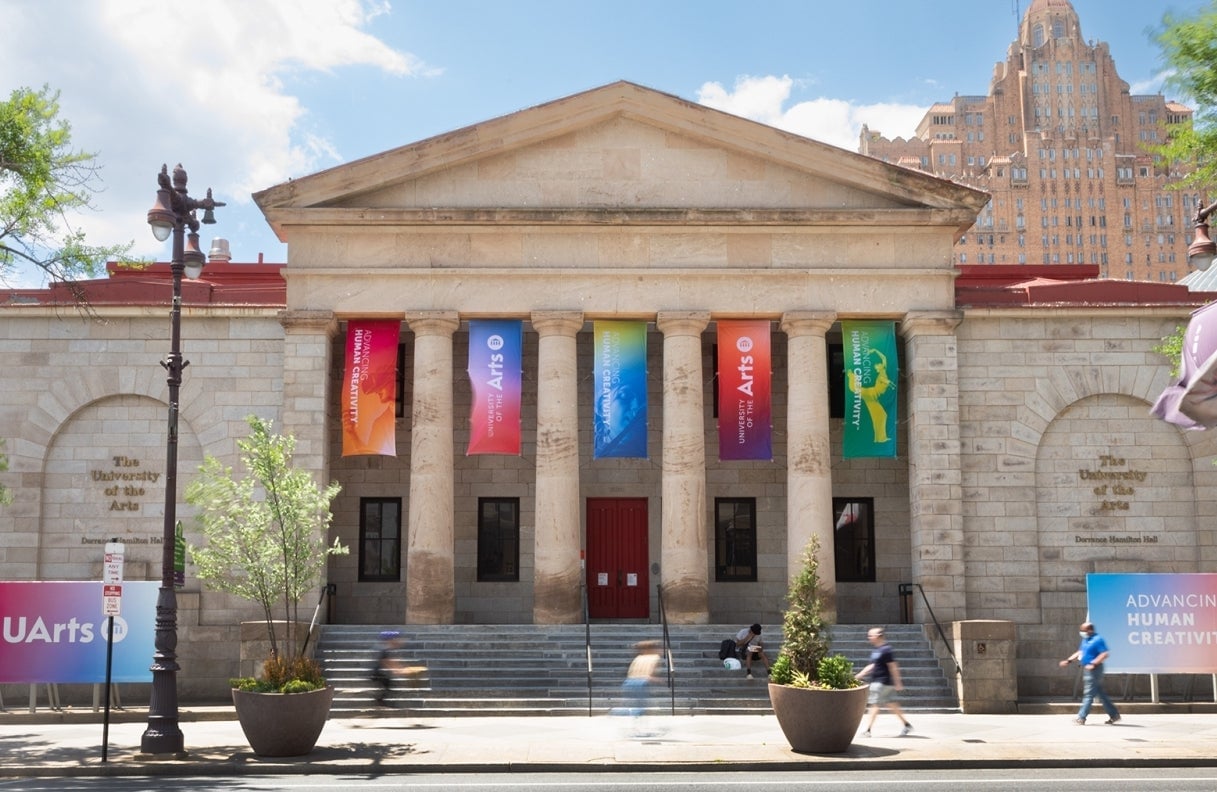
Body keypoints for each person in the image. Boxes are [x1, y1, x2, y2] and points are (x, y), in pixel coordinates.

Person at [1059, 621, 1121, 725]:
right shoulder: (1086, 640)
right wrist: (1068, 660)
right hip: (1088, 670)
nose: (1081, 632)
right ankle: (1114, 714)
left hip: (1094, 670)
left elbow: (1104, 654)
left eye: (1083, 630)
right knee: (1100, 693)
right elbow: (1080, 652)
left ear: (1090, 630)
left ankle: (1081, 717)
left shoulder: (1098, 640)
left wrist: (1093, 663)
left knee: (1088, 694)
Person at [856, 626, 913, 737]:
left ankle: (867, 730)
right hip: (882, 682)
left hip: (881, 682)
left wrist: (898, 682)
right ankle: (906, 725)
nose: (869, 637)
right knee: (892, 704)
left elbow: (893, 666)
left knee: (875, 704)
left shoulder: (886, 650)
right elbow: (872, 665)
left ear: (878, 636)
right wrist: (860, 674)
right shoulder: (877, 650)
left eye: (871, 635)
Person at [622, 640, 662, 737]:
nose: (660, 650)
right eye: (658, 648)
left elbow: (631, 672)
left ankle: (618, 713)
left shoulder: (638, 657)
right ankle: (636, 729)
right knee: (640, 706)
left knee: (635, 705)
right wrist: (657, 680)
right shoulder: (655, 657)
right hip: (641, 682)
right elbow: (650, 673)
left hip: (629, 682)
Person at [373, 630, 408, 707]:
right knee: (388, 684)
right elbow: (385, 661)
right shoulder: (385, 648)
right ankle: (380, 700)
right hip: (376, 672)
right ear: (390, 639)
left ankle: (381, 700)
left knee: (388, 684)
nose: (398, 641)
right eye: (395, 639)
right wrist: (395, 669)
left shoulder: (386, 648)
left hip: (378, 672)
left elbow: (390, 661)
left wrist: (398, 667)